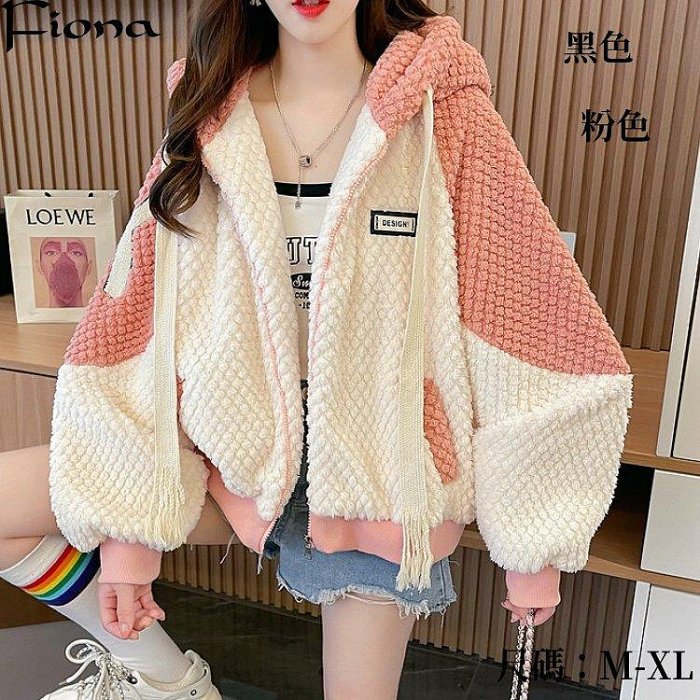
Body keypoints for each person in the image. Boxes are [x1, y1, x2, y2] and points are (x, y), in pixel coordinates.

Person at [0, 1, 634, 698]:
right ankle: (168, 684)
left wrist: (535, 543)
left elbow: (529, 315)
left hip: (379, 471)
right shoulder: (209, 111)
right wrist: (128, 536)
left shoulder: (442, 109)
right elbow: (142, 320)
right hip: (235, 453)